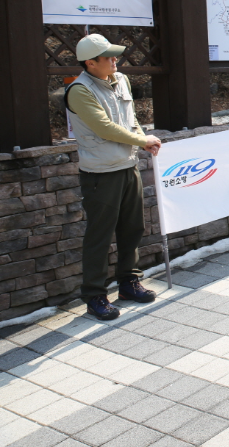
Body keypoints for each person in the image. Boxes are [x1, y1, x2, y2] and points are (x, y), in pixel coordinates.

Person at [65, 34, 162, 320]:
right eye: (107, 57)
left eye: (114, 55)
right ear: (90, 63)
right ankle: (94, 295)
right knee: (100, 235)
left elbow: (130, 119)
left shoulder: (121, 80)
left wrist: (142, 137)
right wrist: (142, 141)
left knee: (132, 228)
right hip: (100, 173)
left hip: (127, 165)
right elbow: (104, 127)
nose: (114, 60)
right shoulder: (79, 90)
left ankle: (128, 283)